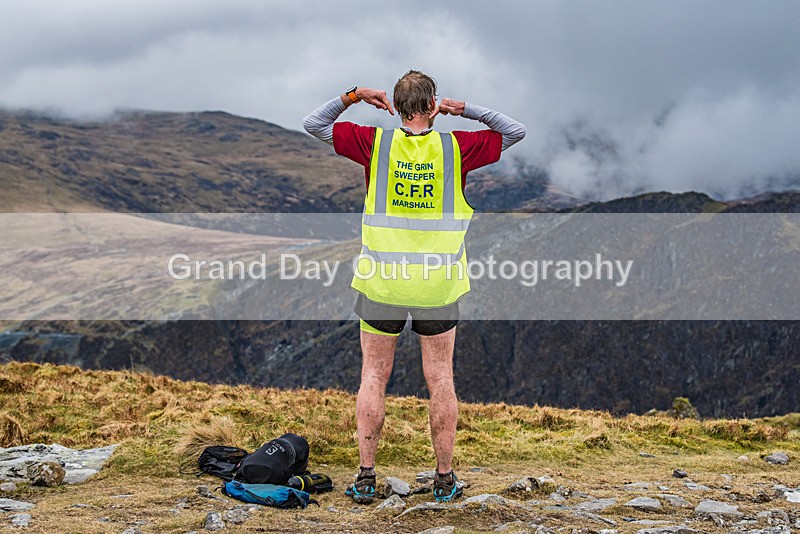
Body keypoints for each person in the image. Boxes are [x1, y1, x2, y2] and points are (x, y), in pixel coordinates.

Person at [303, 70, 525, 503]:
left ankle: (366, 478)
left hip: (382, 282)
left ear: (397, 107)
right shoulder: (455, 147)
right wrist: (466, 110)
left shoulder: (375, 144)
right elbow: (514, 131)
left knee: (373, 376)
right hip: (437, 286)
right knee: (440, 378)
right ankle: (444, 480)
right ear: (432, 105)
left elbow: (314, 124)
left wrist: (353, 96)